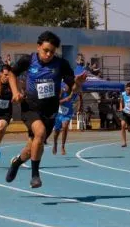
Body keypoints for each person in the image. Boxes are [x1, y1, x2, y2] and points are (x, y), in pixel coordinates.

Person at [5, 31, 85, 188]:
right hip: (30, 107)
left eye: (52, 52)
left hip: (50, 111)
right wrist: (15, 92)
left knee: (33, 147)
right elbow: (12, 74)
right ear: (38, 47)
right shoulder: (28, 60)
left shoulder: (61, 64)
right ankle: (35, 175)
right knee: (40, 133)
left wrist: (78, 83)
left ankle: (16, 162)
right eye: (45, 50)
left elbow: (73, 88)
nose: (48, 54)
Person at [52, 83, 82, 155]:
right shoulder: (62, 91)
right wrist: (66, 99)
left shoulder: (75, 93)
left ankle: (62, 146)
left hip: (68, 114)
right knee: (56, 131)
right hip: (59, 113)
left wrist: (79, 107)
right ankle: (55, 143)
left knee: (65, 127)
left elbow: (80, 99)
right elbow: (57, 102)